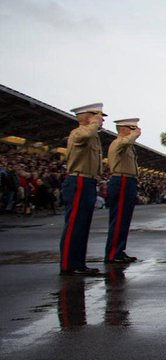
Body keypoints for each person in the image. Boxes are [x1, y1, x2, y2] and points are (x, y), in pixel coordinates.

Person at [60, 103, 105, 276]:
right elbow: (87, 133)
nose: (101, 120)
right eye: (98, 115)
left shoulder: (92, 136)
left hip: (88, 181)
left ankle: (78, 263)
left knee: (83, 226)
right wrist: (94, 123)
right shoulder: (79, 132)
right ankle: (68, 264)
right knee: (74, 225)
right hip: (78, 180)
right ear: (88, 116)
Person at [104, 117, 142, 263]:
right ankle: (113, 253)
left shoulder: (127, 145)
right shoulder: (119, 142)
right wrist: (134, 135)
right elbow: (126, 141)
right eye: (133, 128)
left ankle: (119, 251)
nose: (137, 131)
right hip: (121, 180)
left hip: (128, 180)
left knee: (124, 219)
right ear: (124, 129)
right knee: (119, 218)